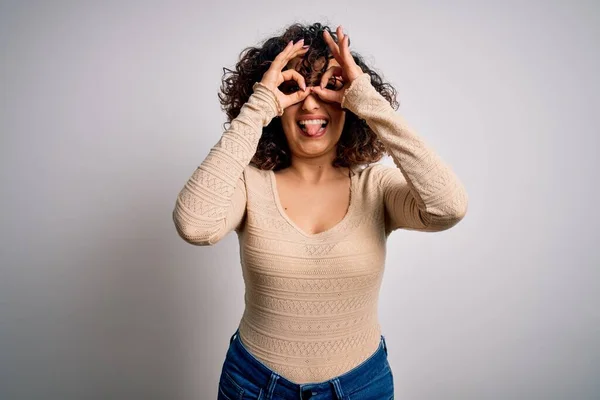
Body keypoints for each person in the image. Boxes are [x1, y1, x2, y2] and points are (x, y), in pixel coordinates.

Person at [173, 22, 468, 400]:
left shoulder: (375, 187)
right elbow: (195, 225)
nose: (311, 103)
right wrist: (260, 105)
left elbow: (448, 207)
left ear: (350, 100)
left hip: (362, 386)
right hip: (253, 385)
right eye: (294, 88)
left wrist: (368, 100)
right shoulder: (250, 185)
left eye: (329, 87)